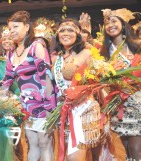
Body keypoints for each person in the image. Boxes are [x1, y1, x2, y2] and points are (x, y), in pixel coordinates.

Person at [0, 10, 56, 161]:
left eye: (15, 27)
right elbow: (8, 79)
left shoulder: (36, 46)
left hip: (44, 104)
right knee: (33, 144)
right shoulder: (12, 52)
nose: (12, 31)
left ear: (26, 27)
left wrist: (50, 109)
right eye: (10, 28)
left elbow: (47, 78)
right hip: (27, 106)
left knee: (45, 143)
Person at [100, 8, 141, 160]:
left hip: (139, 103)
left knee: (138, 154)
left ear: (123, 24)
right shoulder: (104, 53)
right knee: (127, 154)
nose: (110, 25)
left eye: (114, 21)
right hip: (119, 107)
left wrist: (131, 84)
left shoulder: (138, 46)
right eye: (107, 22)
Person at [52, 18, 101, 161]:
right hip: (65, 110)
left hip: (83, 109)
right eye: (62, 30)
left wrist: (80, 94)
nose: (65, 33)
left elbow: (98, 80)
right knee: (67, 156)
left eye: (70, 30)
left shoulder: (87, 53)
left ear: (77, 34)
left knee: (76, 156)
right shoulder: (57, 58)